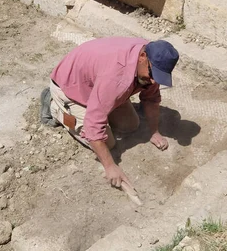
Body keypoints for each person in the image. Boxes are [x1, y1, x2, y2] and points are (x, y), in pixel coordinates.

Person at [40, 37, 179, 190]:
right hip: (70, 88)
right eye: (153, 74)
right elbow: (93, 126)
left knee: (131, 125)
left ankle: (102, 103)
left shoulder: (152, 58)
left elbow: (151, 99)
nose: (154, 81)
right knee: (108, 143)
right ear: (142, 57)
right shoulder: (116, 78)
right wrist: (110, 166)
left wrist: (154, 132)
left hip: (98, 85)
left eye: (159, 76)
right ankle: (54, 106)